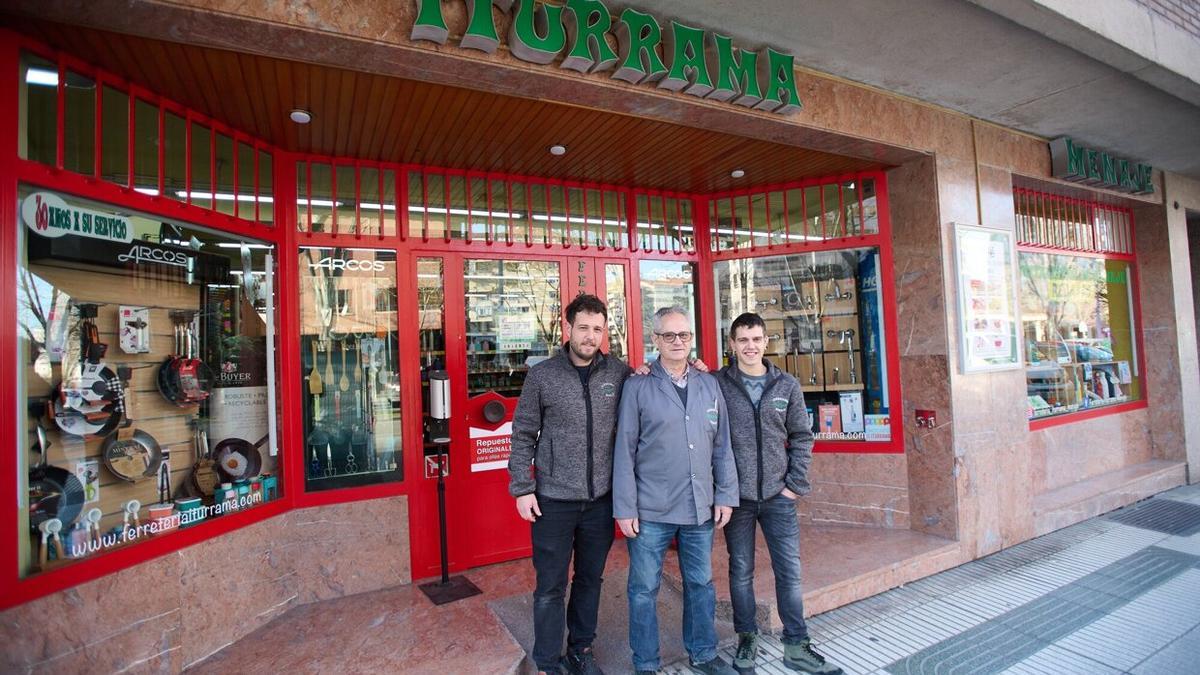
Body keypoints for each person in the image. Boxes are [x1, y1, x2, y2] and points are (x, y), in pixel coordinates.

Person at [508, 294, 632, 675]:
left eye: (598, 329)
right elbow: (523, 432)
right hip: (553, 501)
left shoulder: (619, 373)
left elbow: (656, 389)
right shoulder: (543, 375)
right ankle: (547, 661)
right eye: (583, 328)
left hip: (600, 500)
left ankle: (581, 648)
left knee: (590, 579)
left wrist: (691, 366)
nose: (590, 336)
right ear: (568, 328)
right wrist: (522, 487)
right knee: (550, 586)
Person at [613, 306, 739, 675]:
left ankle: (703, 653)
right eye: (669, 335)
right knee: (642, 590)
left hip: (700, 506)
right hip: (651, 509)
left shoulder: (709, 383)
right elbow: (624, 449)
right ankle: (646, 663)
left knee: (701, 584)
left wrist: (726, 495)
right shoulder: (637, 386)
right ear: (655, 340)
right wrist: (625, 508)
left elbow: (722, 445)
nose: (678, 342)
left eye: (684, 335)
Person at [716, 312, 841, 675]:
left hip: (777, 496)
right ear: (732, 344)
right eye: (743, 340)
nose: (750, 346)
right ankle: (747, 639)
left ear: (766, 343)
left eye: (756, 339)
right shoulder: (718, 384)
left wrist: (793, 486)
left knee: (789, 571)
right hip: (736, 498)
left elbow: (802, 436)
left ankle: (797, 645)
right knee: (740, 570)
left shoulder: (786, 385)